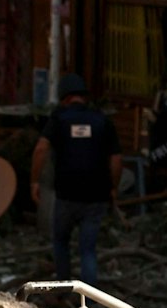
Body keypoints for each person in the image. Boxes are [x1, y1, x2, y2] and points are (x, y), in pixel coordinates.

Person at [30, 74, 121, 287]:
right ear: (84, 97)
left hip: (66, 195)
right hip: (96, 197)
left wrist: (34, 181)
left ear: (64, 98)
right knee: (88, 249)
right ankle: (88, 301)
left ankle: (62, 289)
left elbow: (41, 148)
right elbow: (116, 159)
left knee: (61, 242)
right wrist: (113, 188)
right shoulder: (102, 120)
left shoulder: (59, 118)